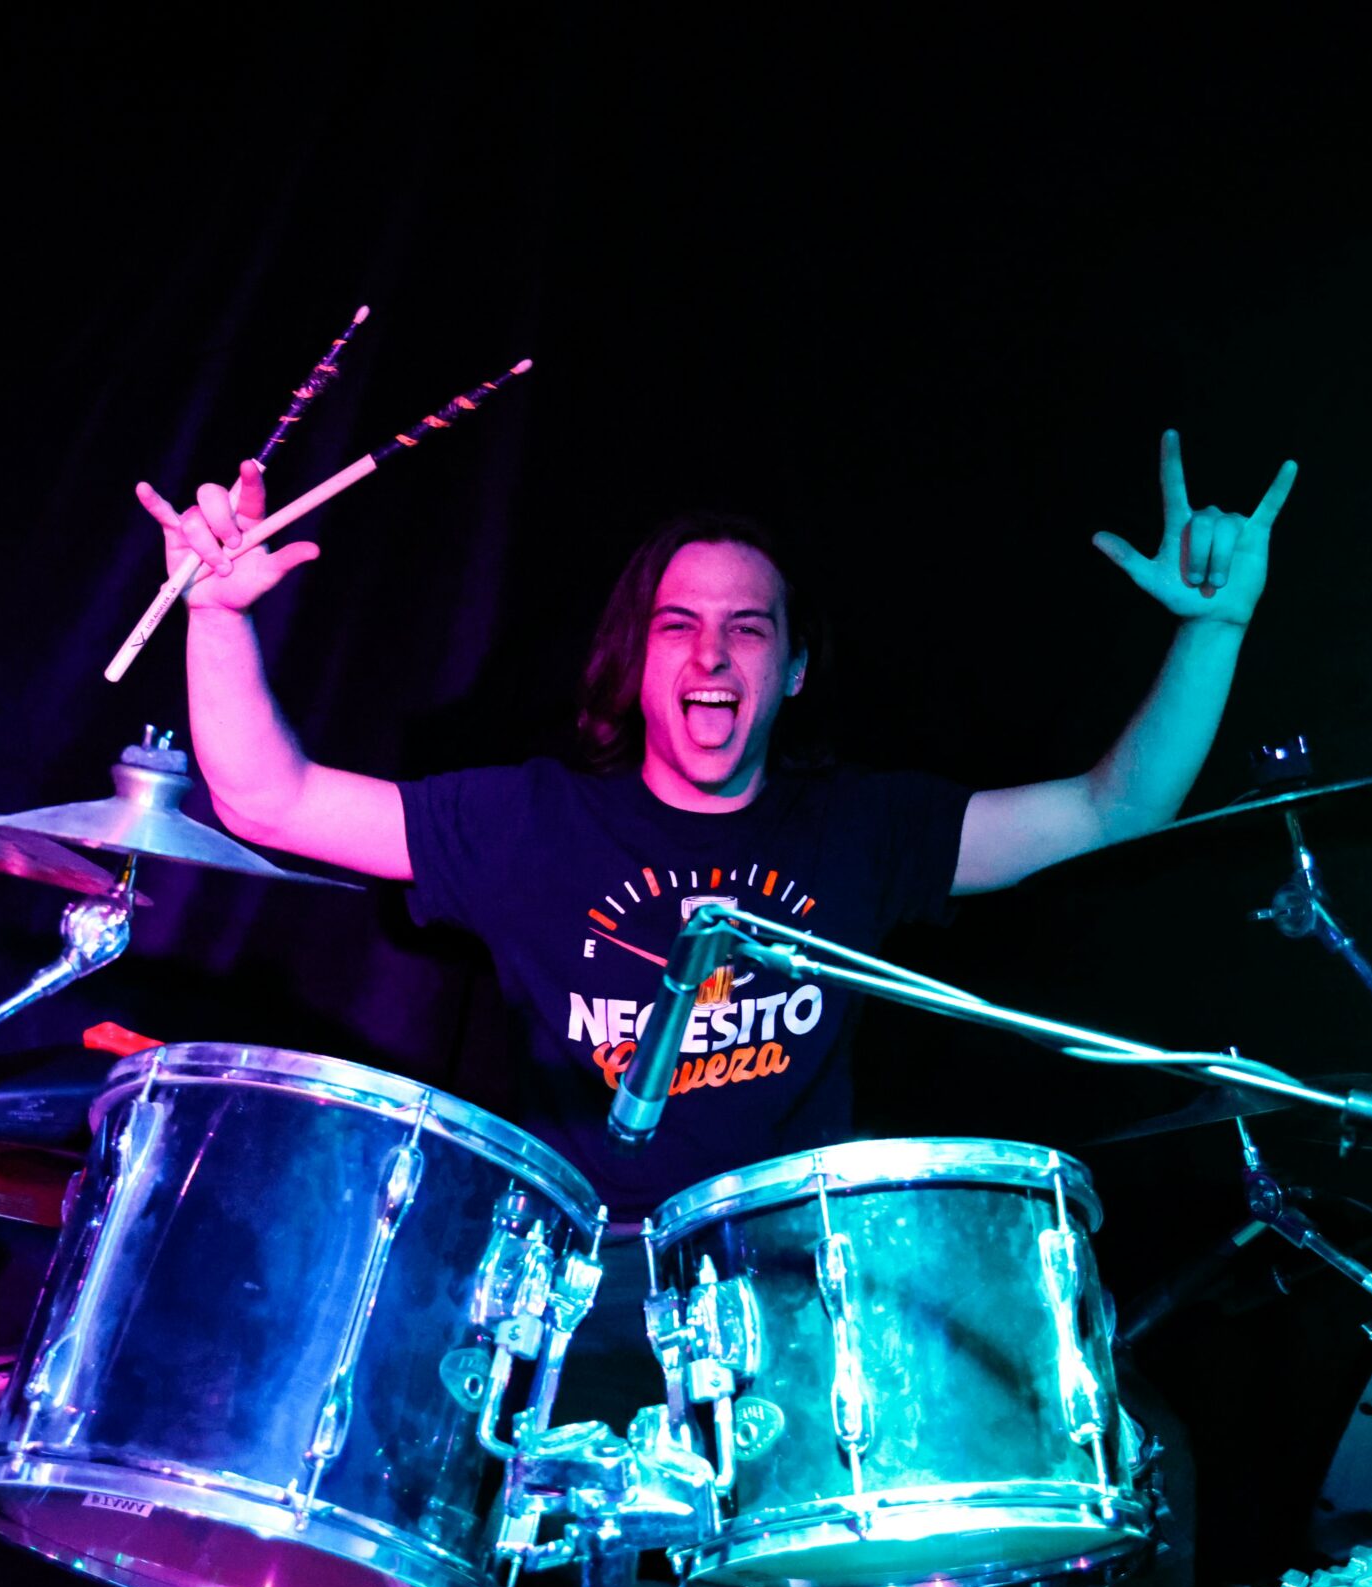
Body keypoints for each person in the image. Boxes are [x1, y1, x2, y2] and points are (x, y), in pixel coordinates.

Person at [136, 429, 1296, 1220]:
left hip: (787, 1298)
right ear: (635, 660)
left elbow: (1117, 806)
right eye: (678, 623)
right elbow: (268, 798)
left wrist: (1218, 631)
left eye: (747, 628)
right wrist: (220, 617)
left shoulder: (863, 829)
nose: (709, 653)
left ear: (791, 669)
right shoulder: (530, 822)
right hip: (574, 1292)